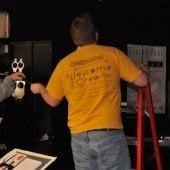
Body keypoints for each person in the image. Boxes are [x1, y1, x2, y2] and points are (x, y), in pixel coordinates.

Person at [30, 12, 148, 170]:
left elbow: (53, 101)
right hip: (108, 134)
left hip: (79, 138)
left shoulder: (64, 64)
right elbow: (142, 81)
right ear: (96, 35)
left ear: (74, 39)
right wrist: (142, 70)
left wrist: (40, 89)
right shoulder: (112, 54)